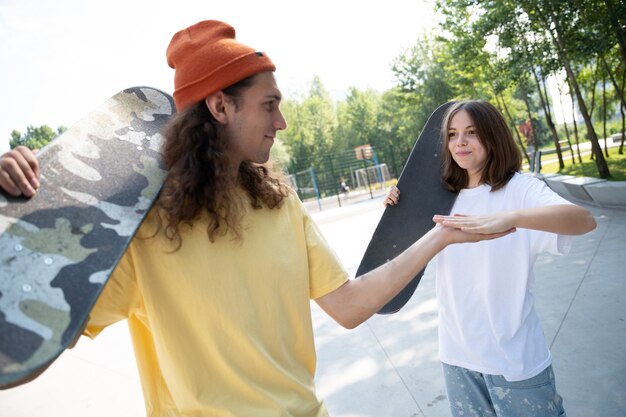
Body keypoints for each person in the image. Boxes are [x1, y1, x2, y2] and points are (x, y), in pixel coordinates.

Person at [0, 21, 510, 417]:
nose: (281, 122)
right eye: (269, 106)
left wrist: (439, 238)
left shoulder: (279, 204)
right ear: (221, 106)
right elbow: (23, 337)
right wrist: (15, 213)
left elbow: (350, 306)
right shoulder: (141, 230)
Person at [384, 100, 596, 417]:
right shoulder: (440, 196)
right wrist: (397, 212)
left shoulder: (520, 189)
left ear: (492, 136)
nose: (460, 142)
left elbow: (583, 220)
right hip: (458, 358)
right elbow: (399, 257)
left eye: (471, 132)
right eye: (453, 135)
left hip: (515, 361)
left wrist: (510, 217)